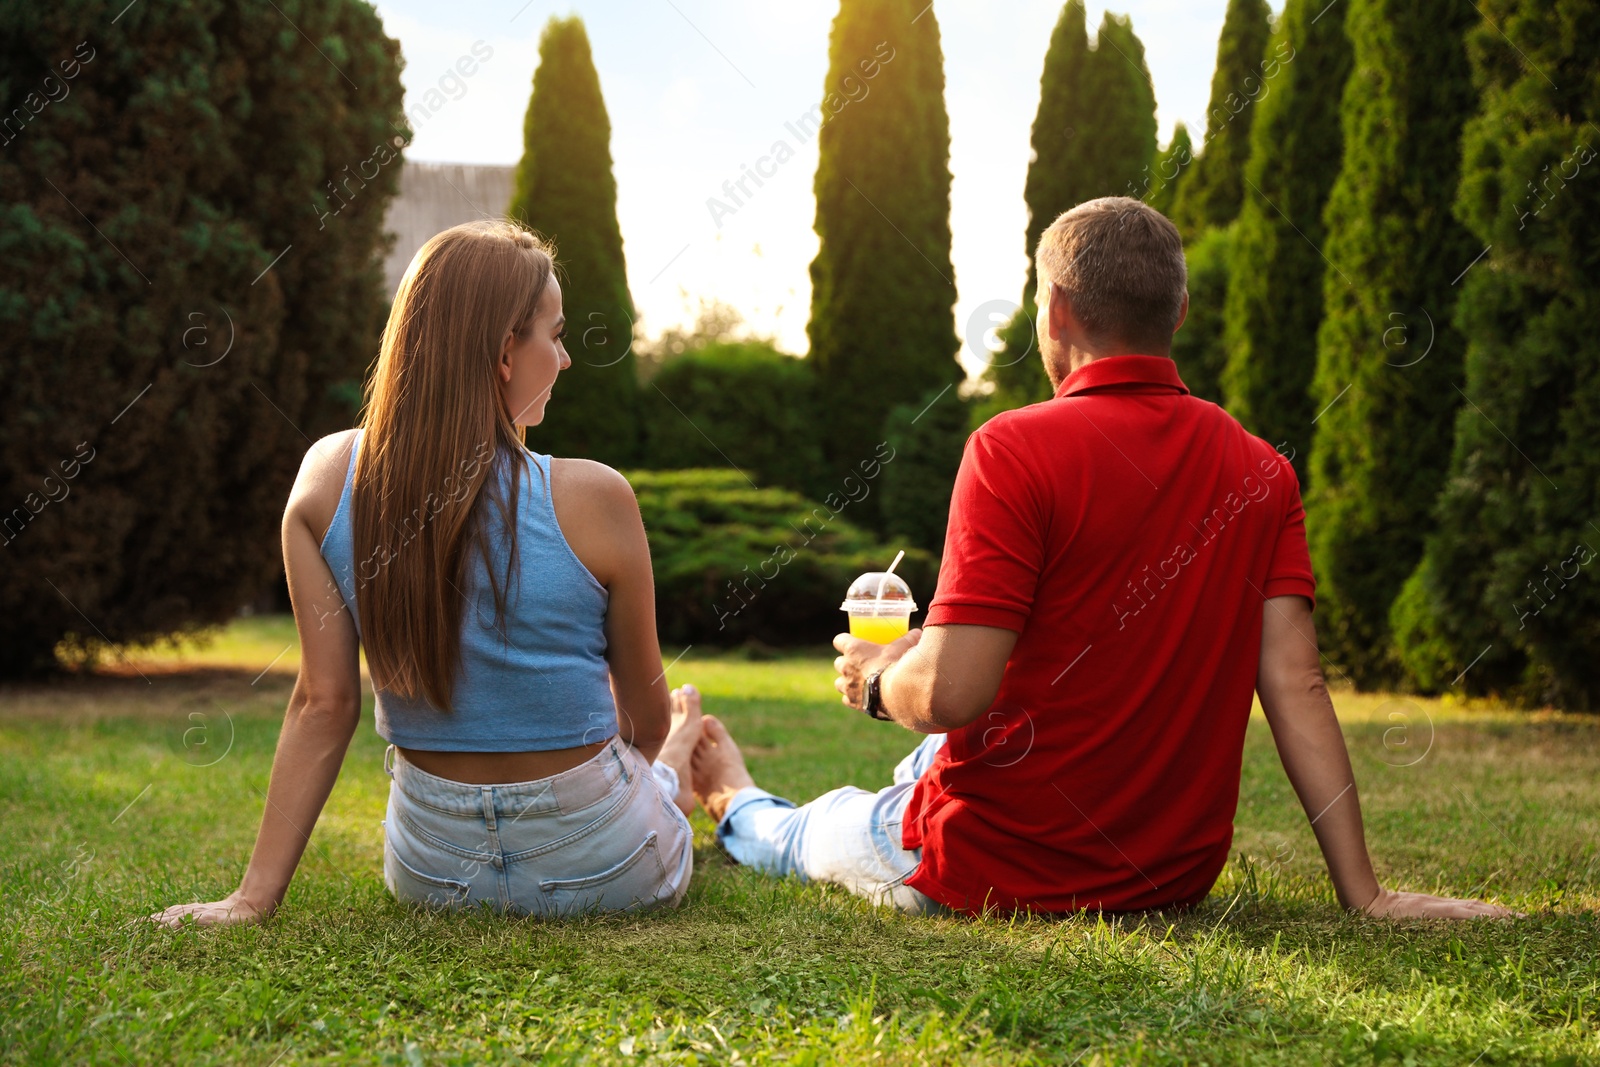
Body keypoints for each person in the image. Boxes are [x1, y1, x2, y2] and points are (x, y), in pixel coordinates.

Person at [690, 197, 1514, 921]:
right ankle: (860, 779)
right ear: (1179, 310)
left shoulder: (1011, 447)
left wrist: (876, 680)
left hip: (989, 866)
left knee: (813, 824)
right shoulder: (1263, 469)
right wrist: (1363, 893)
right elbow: (1296, 684)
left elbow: (951, 693)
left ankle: (733, 797)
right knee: (928, 756)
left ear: (1053, 311)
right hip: (1169, 876)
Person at [152, 220, 706, 926]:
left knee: (652, 769)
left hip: (433, 871)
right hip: (603, 865)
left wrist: (251, 898)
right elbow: (644, 720)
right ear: (507, 350)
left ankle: (685, 753)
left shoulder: (325, 478)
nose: (565, 360)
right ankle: (695, 746)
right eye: (555, 335)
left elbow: (323, 705)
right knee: (662, 764)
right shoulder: (597, 496)